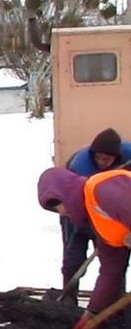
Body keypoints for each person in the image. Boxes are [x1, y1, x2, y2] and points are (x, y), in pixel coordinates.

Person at [37, 167, 131, 329]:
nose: (62, 213)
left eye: (58, 206)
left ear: (64, 194)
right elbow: (111, 272)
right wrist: (91, 315)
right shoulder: (99, 222)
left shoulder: (101, 188)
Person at [59, 128, 131, 305]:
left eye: (106, 159)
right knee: (73, 256)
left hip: (110, 212)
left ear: (117, 157)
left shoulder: (128, 155)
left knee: (114, 262)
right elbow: (85, 201)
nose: (101, 162)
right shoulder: (81, 166)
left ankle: (114, 300)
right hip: (76, 211)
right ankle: (67, 301)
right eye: (98, 157)